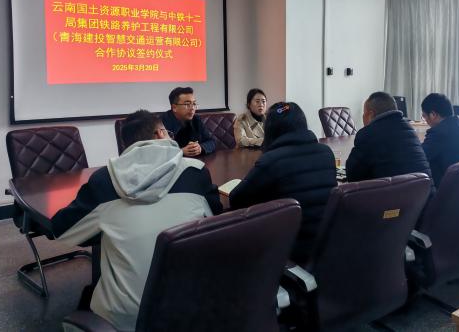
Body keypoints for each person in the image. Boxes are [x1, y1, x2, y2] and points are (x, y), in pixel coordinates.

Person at [51, 110, 222, 331]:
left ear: (127, 144)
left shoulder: (104, 180)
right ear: (160, 134)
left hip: (124, 319)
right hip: (192, 308)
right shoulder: (196, 172)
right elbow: (216, 217)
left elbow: (60, 228)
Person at [229, 102, 337, 264]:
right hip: (328, 244)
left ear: (270, 129)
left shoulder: (272, 160)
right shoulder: (326, 153)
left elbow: (236, 200)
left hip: (290, 251)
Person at [346, 91, 431, 183]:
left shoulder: (368, 134)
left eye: (364, 114)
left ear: (370, 114)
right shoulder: (409, 129)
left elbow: (352, 175)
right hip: (425, 190)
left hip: (395, 192)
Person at [420, 93, 459, 188]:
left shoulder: (440, 132)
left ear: (433, 114)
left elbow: (419, 158)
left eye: (424, 116)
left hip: (453, 190)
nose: (425, 120)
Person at [161, 86, 216, 157]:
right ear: (174, 107)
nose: (192, 108)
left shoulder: (196, 119)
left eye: (194, 104)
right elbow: (158, 151)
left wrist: (200, 147)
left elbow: (212, 141)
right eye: (187, 104)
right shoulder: (161, 122)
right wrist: (180, 151)